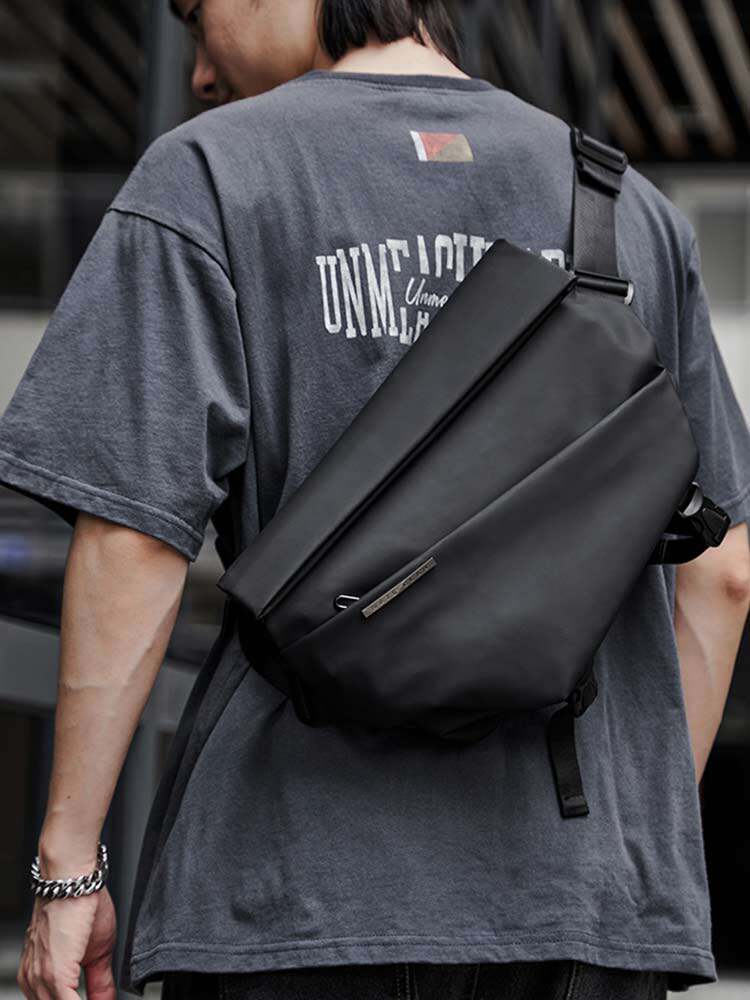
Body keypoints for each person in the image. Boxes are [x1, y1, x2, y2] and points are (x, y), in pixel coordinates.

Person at [4, 1, 750, 998]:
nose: (200, 73)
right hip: (579, 909)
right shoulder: (628, 209)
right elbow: (724, 572)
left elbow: (133, 541)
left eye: (195, 15)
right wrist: (625, 843)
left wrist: (68, 872)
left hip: (295, 888)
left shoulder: (211, 175)